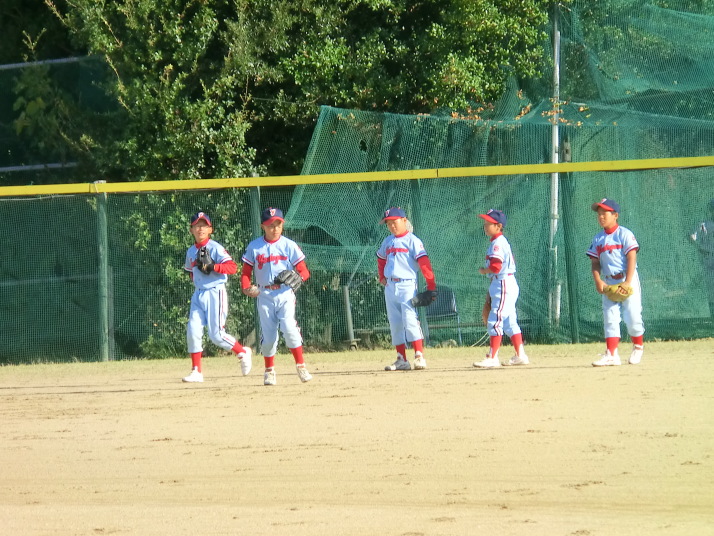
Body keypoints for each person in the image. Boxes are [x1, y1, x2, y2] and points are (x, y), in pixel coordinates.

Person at [240, 207, 312, 386]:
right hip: (264, 294)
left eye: (278, 224)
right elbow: (245, 273)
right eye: (271, 225)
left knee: (289, 328)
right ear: (263, 226)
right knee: (269, 336)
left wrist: (299, 277)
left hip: (284, 292)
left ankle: (301, 366)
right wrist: (246, 287)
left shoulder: (289, 245)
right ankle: (269, 370)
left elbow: (304, 271)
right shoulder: (255, 246)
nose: (275, 228)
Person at [182, 211, 252, 383]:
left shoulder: (215, 247)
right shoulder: (191, 251)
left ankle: (242, 352)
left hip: (215, 291)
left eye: (204, 225)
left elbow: (232, 267)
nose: (200, 229)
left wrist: (213, 267)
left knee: (217, 335)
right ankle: (196, 371)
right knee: (193, 330)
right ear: (191, 230)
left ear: (210, 229)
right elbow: (191, 273)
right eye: (197, 226)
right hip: (199, 293)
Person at [376, 207, 437, 371]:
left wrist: (431, 285)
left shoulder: (413, 241)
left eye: (394, 222)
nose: (391, 226)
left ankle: (419, 356)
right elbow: (381, 259)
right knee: (395, 323)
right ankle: (401, 359)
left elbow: (424, 263)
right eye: (388, 223)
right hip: (390, 285)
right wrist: (381, 276)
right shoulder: (387, 241)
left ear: (404, 220)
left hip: (407, 285)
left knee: (410, 320)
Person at [586, 199, 644, 366]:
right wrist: (598, 280)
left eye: (605, 213)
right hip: (609, 281)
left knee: (632, 316)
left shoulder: (624, 234)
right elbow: (595, 262)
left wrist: (628, 281)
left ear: (615, 215)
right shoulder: (598, 238)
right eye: (599, 214)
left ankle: (638, 347)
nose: (601, 216)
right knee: (610, 318)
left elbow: (632, 257)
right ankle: (611, 354)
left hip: (627, 278)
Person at [473, 209, 529, 368]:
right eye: (485, 223)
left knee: (495, 320)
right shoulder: (498, 242)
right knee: (510, 323)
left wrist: (484, 271)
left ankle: (492, 357)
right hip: (504, 283)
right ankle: (520, 355)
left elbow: (496, 267)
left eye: (489, 223)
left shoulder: (497, 243)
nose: (485, 226)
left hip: (503, 283)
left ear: (498, 226)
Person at [689, 199, 714, 316]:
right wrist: (700, 247)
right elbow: (691, 236)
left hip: (708, 261)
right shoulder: (705, 225)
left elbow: (691, 237)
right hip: (709, 262)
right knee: (711, 292)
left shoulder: (704, 225)